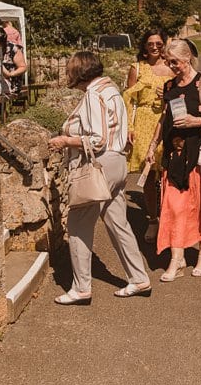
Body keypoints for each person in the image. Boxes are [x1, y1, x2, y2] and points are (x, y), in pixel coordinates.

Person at [47, 51, 152, 303]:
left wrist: (65, 140)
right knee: (117, 222)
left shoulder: (94, 95)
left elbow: (96, 139)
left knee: (78, 225)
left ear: (79, 72)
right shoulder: (111, 90)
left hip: (99, 165)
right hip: (116, 162)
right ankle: (138, 278)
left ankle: (81, 287)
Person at [150, 39, 201, 281]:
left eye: (174, 61)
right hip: (174, 154)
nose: (171, 66)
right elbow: (164, 118)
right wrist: (153, 144)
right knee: (173, 207)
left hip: (198, 153)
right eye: (168, 61)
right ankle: (177, 258)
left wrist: (196, 121)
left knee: (200, 205)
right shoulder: (169, 86)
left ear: (187, 58)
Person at [122, 29, 171, 243]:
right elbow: (128, 99)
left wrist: (168, 95)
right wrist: (129, 127)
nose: (154, 47)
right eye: (150, 43)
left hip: (167, 121)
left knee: (169, 172)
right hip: (143, 123)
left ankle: (170, 218)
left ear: (164, 44)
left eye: (158, 43)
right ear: (144, 46)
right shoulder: (137, 68)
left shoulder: (172, 66)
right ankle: (153, 219)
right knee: (150, 173)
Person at [0, 23, 27, 93]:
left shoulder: (12, 48)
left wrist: (10, 74)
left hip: (12, 83)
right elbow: (20, 44)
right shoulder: (16, 31)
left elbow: (23, 67)